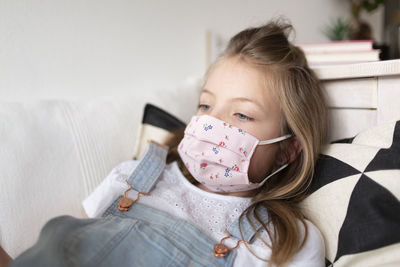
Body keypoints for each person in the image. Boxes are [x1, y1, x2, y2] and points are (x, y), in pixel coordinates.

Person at [1, 19, 327, 267]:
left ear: (287, 149)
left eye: (242, 114)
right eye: (205, 106)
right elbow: (68, 249)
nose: (212, 123)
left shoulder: (287, 241)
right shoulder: (133, 179)